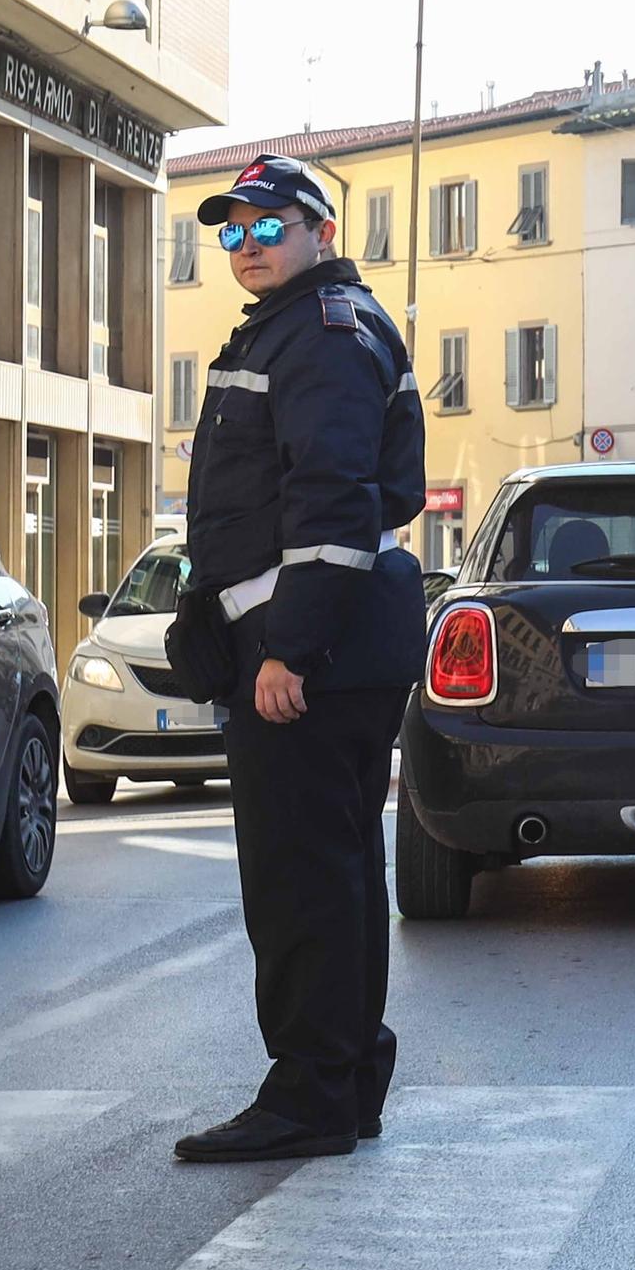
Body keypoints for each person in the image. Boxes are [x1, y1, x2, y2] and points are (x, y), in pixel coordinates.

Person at [174, 155, 428, 1163]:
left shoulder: (322, 337)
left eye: (267, 227)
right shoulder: (309, 329)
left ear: (319, 230)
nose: (245, 247)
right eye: (229, 233)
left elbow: (331, 506)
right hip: (336, 648)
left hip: (311, 659)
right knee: (339, 873)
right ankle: (345, 1077)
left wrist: (289, 651)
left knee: (298, 883)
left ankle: (311, 1092)